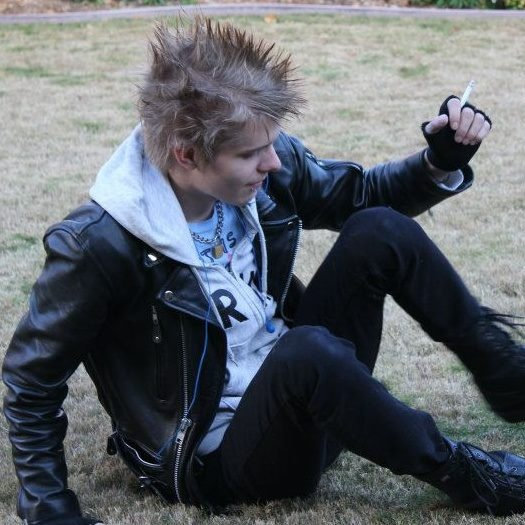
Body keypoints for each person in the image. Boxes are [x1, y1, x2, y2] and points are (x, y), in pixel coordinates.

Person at [3, 15, 525, 525]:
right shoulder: (98, 244)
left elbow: (361, 194)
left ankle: (506, 375)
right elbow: (31, 382)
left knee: (380, 230)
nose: (272, 162)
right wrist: (48, 509)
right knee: (307, 351)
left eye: (272, 144)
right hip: (225, 454)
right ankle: (467, 475)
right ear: (186, 154)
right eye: (252, 154)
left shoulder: (265, 167)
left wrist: (439, 162)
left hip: (313, 388)